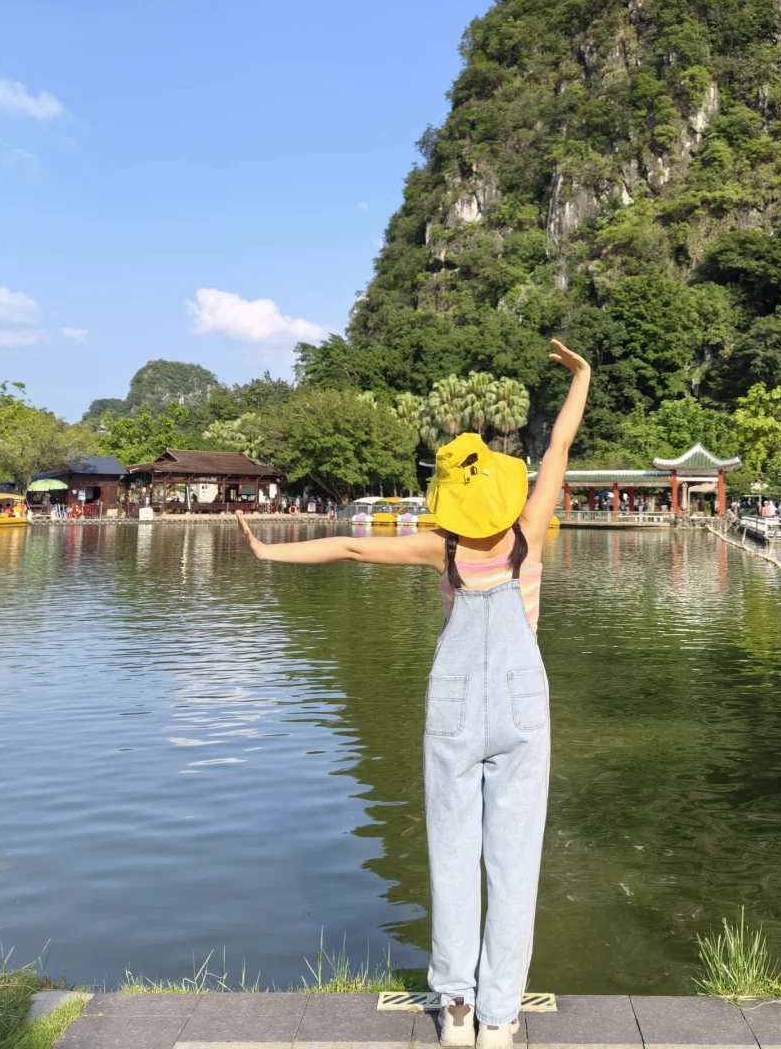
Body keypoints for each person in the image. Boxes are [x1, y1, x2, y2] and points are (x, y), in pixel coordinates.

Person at [235, 339, 590, 1049]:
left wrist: (271, 551)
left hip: (454, 706)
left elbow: (350, 548)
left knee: (451, 850)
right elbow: (556, 449)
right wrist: (580, 376)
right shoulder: (526, 536)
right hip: (523, 706)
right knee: (514, 860)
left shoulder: (445, 549)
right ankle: (499, 1017)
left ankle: (454, 1007)